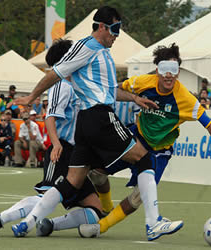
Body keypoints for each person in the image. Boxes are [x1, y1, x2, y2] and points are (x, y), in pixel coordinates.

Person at [12, 6, 181, 241]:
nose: (117, 34)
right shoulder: (86, 47)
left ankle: (28, 222)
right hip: (99, 117)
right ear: (101, 26)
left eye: (119, 29)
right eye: (114, 29)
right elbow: (56, 73)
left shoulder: (101, 53)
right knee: (144, 158)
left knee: (72, 181)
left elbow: (110, 91)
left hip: (87, 122)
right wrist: (31, 97)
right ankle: (153, 223)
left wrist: (134, 98)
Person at [76, 43, 211, 238]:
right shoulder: (143, 82)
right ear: (157, 70)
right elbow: (114, 90)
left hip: (160, 151)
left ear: (178, 73)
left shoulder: (185, 98)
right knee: (97, 174)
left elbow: (210, 124)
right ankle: (106, 208)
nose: (169, 75)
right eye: (164, 69)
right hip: (136, 138)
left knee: (138, 196)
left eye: (173, 70)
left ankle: (101, 227)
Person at [0, 39, 103, 238]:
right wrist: (56, 143)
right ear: (68, 59)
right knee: (47, 194)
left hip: (78, 155)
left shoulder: (79, 84)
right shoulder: (60, 86)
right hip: (62, 150)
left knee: (95, 210)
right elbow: (50, 117)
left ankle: (50, 225)